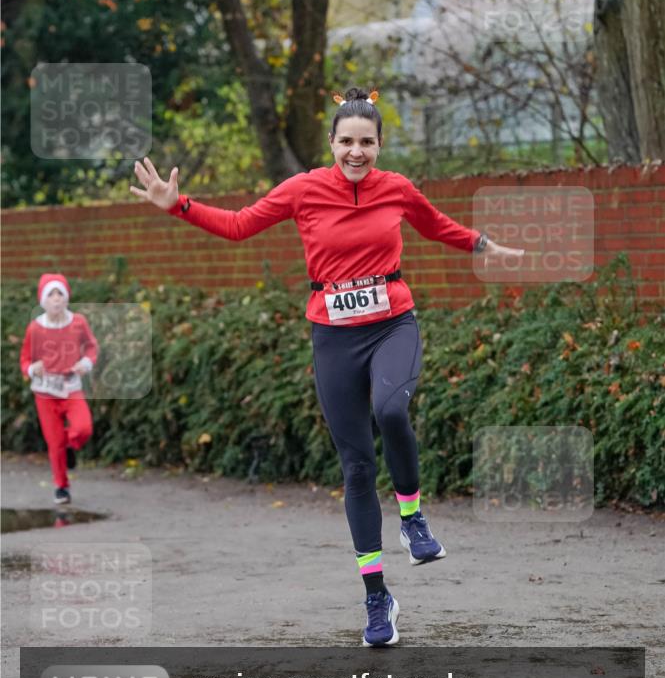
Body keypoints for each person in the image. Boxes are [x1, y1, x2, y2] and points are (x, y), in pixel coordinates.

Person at [130, 87, 524, 646]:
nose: (356, 151)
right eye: (347, 141)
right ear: (332, 144)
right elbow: (241, 224)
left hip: (393, 324)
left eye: (367, 141)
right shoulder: (304, 189)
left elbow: (438, 227)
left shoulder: (397, 190)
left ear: (381, 145)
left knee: (391, 410)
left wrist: (489, 247)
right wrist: (180, 205)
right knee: (357, 469)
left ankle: (412, 517)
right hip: (334, 337)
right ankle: (377, 598)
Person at [20, 273, 98, 506]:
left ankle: (71, 444)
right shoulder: (35, 328)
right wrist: (33, 368)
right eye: (51, 295)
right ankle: (61, 487)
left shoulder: (78, 322)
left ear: (66, 298)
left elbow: (92, 347)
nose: (56, 299)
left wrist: (86, 363)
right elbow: (24, 360)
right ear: (43, 301)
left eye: (60, 294)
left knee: (84, 428)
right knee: (54, 443)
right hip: (45, 392)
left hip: (71, 386)